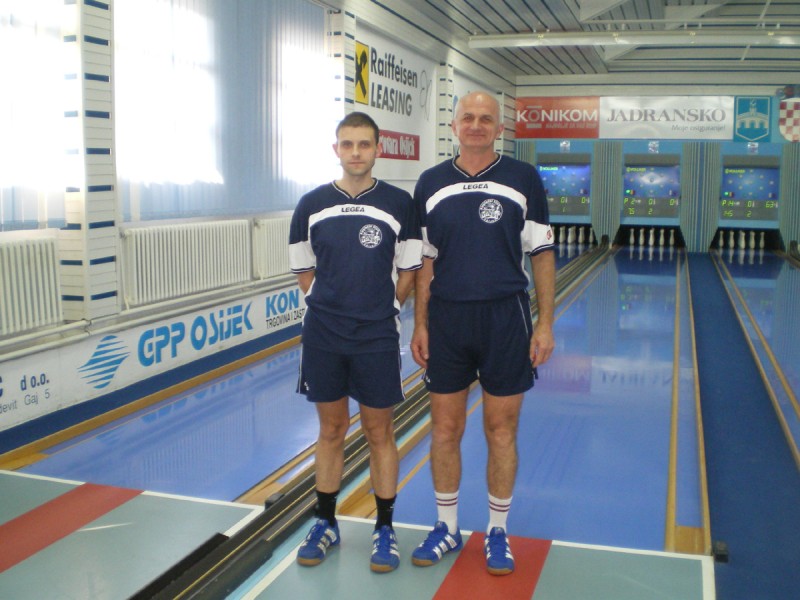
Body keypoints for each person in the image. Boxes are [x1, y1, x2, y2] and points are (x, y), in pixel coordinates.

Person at [409, 91, 555, 576]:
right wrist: (421, 322)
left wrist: (546, 322)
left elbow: (542, 253)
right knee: (445, 428)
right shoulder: (431, 182)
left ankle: (497, 531)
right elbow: (425, 261)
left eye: (485, 119)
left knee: (501, 429)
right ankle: (447, 526)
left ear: (499, 129)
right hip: (448, 320)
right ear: (454, 126)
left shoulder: (523, 178)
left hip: (505, 318)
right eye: (468, 117)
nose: (476, 125)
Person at [288, 112, 422, 573]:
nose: (356, 152)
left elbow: (409, 270)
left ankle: (384, 528)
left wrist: (386, 306)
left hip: (376, 336)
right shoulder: (310, 205)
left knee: (378, 431)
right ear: (336, 150)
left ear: (377, 149)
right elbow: (304, 271)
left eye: (364, 144)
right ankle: (326, 522)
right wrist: (329, 306)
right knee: (330, 430)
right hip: (323, 335)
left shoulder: (399, 204)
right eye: (348, 144)